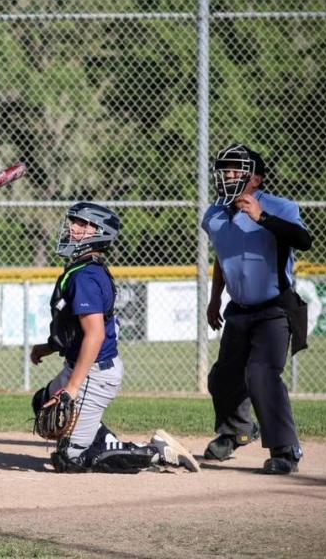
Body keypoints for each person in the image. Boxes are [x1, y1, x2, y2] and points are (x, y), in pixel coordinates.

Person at [30, 202, 200, 474]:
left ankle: (156, 452)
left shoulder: (85, 276)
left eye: (83, 224)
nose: (73, 227)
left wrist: (73, 388)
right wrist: (49, 347)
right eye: (74, 221)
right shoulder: (85, 269)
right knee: (44, 403)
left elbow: (95, 335)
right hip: (84, 367)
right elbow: (74, 329)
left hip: (94, 374)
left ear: (100, 233)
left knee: (70, 460)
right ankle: (100, 439)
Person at [202, 144, 313, 475]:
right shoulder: (215, 215)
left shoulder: (281, 207)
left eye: (236, 170)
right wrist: (214, 298)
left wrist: (261, 217)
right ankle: (237, 431)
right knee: (222, 379)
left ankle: (286, 449)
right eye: (225, 170)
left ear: (257, 179)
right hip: (238, 308)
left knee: (262, 374)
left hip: (275, 308)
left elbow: (303, 240)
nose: (228, 176)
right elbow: (222, 259)